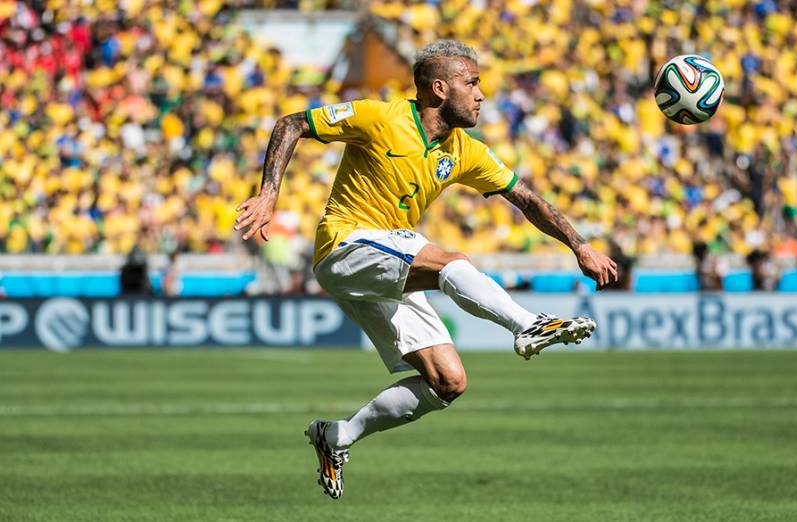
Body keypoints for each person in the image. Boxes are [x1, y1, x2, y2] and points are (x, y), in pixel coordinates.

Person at [234, 40, 617, 500]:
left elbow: (527, 200)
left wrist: (580, 245)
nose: (481, 94)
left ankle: (337, 436)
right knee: (448, 261)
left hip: (388, 263)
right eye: (471, 83)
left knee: (448, 381)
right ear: (439, 88)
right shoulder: (381, 117)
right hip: (346, 244)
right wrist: (270, 193)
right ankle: (528, 325)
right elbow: (292, 123)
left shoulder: (463, 150)